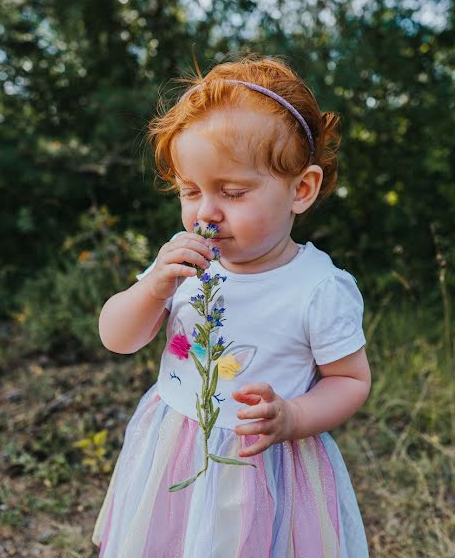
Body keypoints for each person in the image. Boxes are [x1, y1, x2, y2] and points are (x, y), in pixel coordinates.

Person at [92, 54, 371, 557]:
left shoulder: (317, 287)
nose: (207, 212)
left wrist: (292, 416)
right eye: (191, 191)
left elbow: (350, 380)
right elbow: (117, 337)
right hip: (174, 447)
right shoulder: (181, 262)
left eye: (233, 191)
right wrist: (152, 287)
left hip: (264, 465)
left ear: (300, 190)